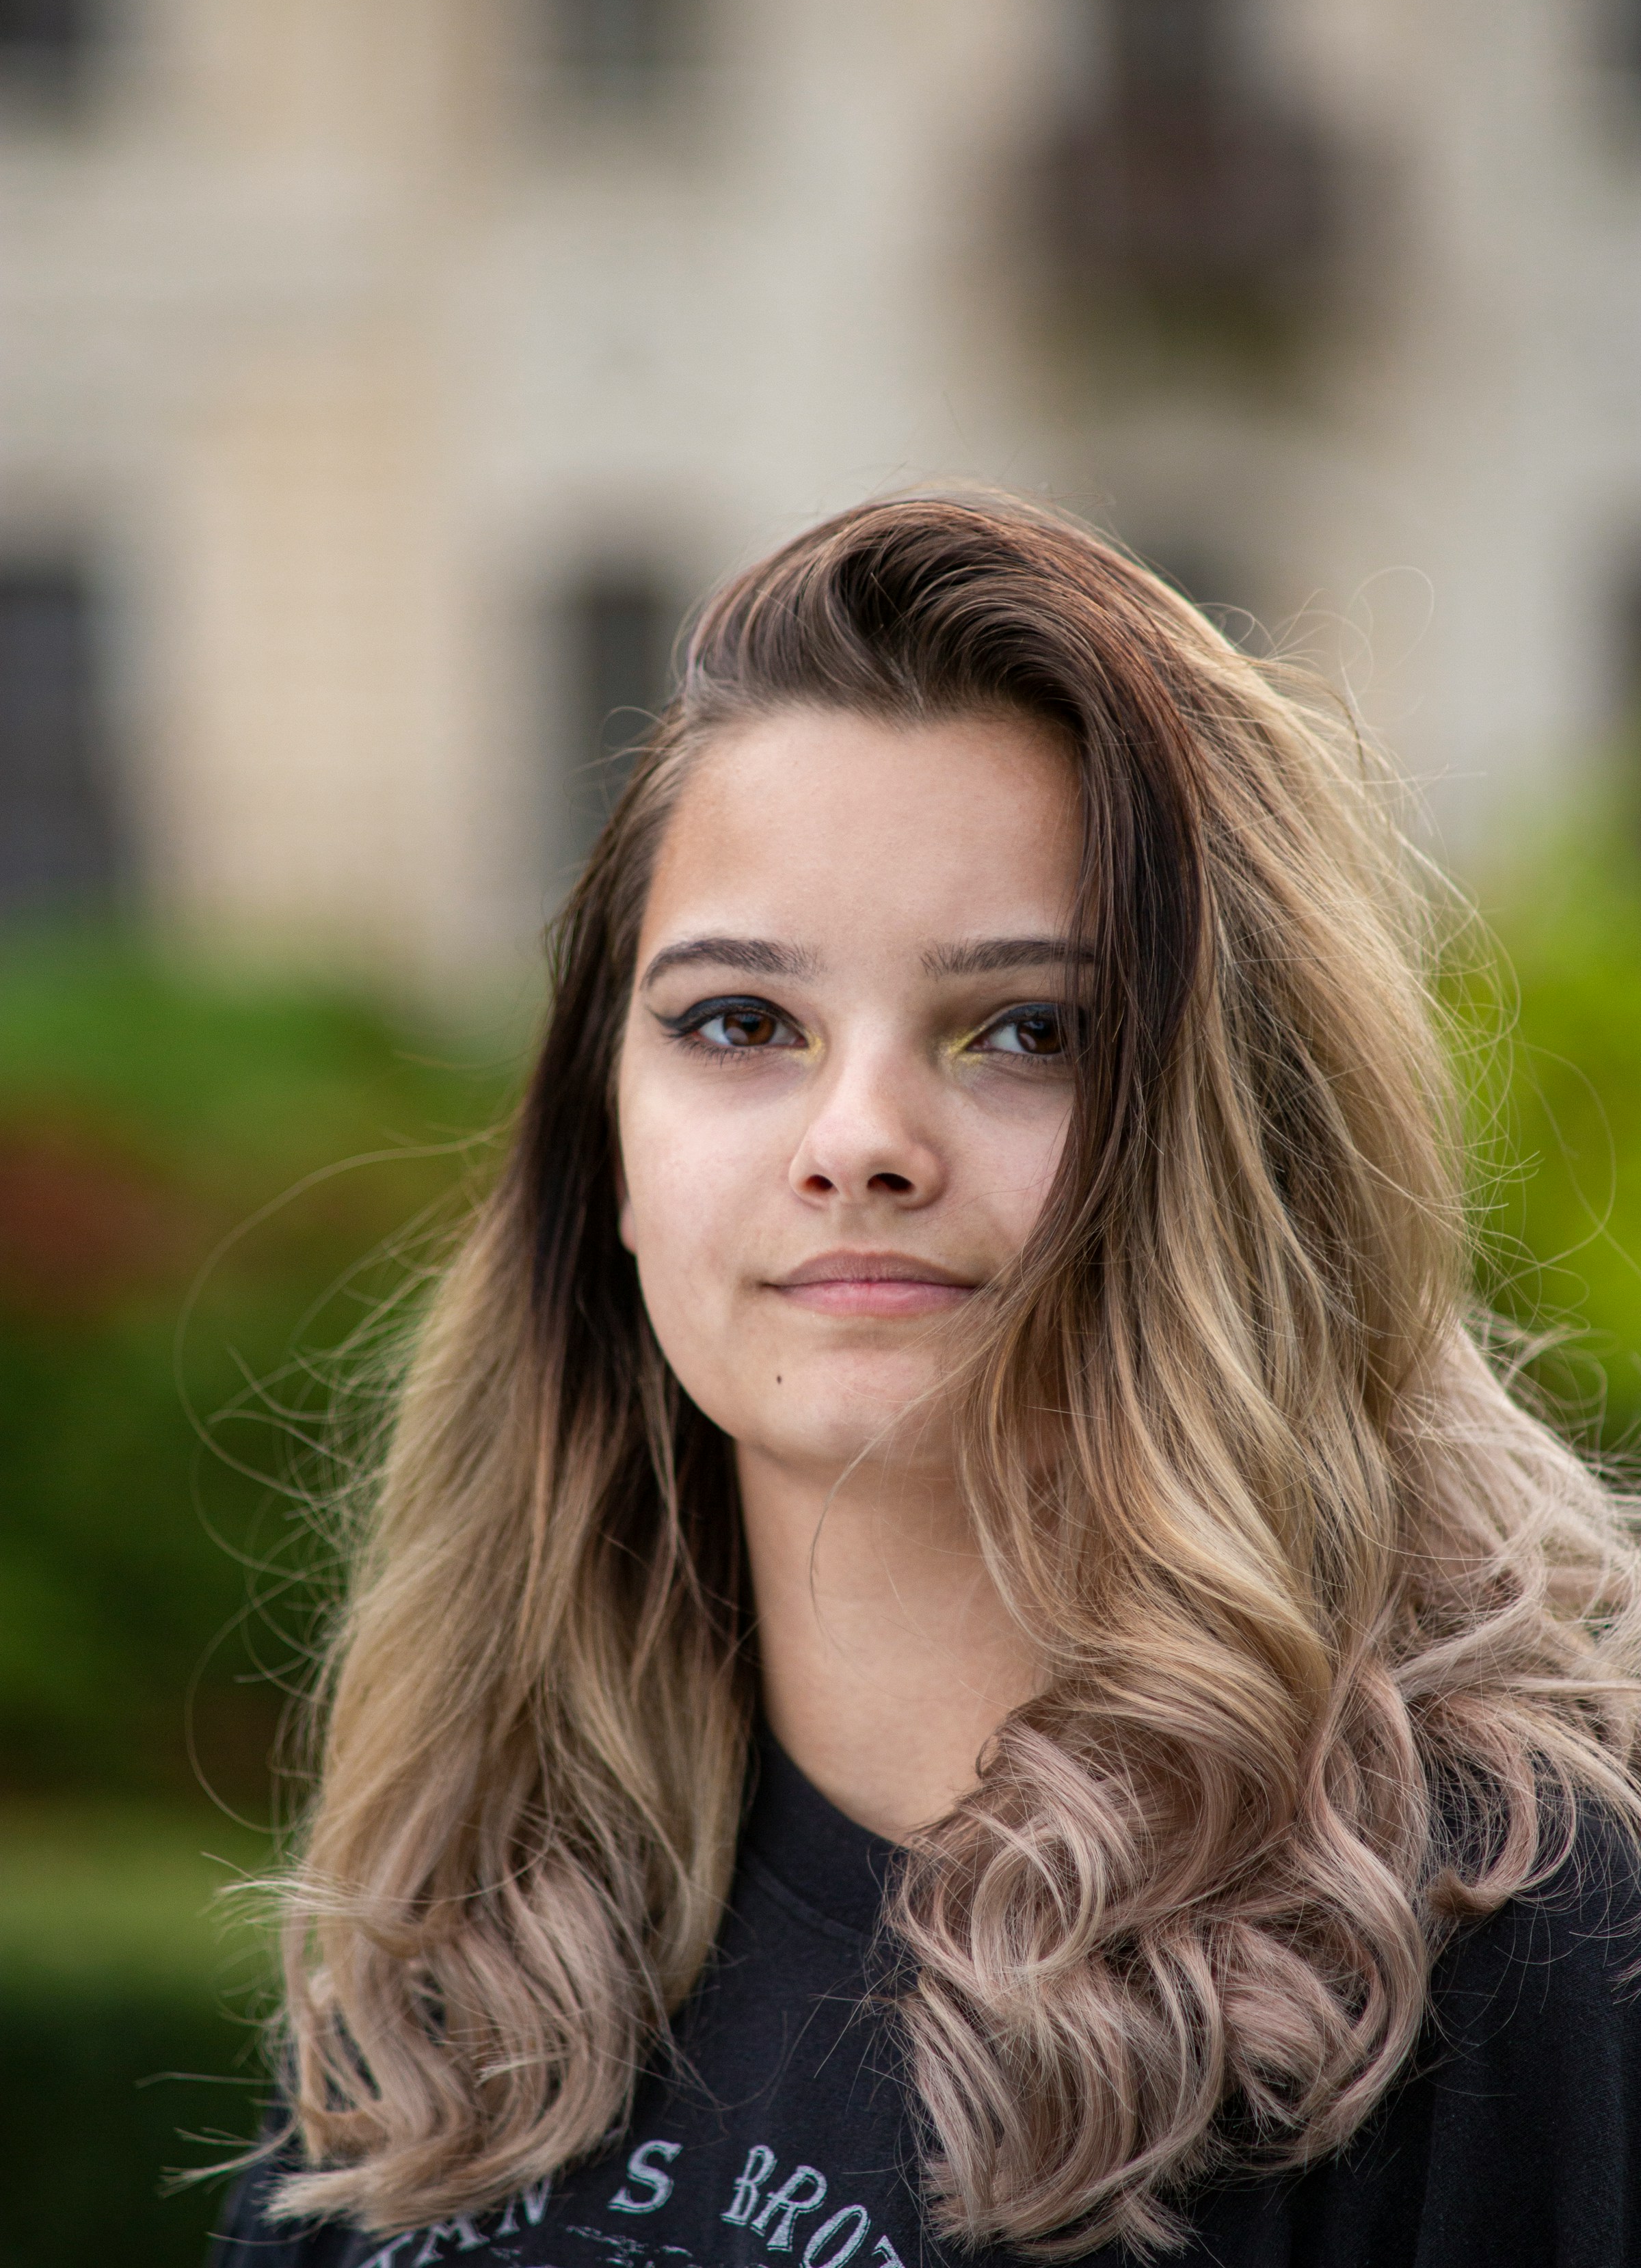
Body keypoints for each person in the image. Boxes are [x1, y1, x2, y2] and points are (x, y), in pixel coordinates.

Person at [212, 496, 1641, 2268]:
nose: (862, 1140)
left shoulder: (1516, 1937)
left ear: (1246, 1137)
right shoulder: (479, 1910)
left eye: (1029, 1031)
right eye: (741, 1022)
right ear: (609, 1152)